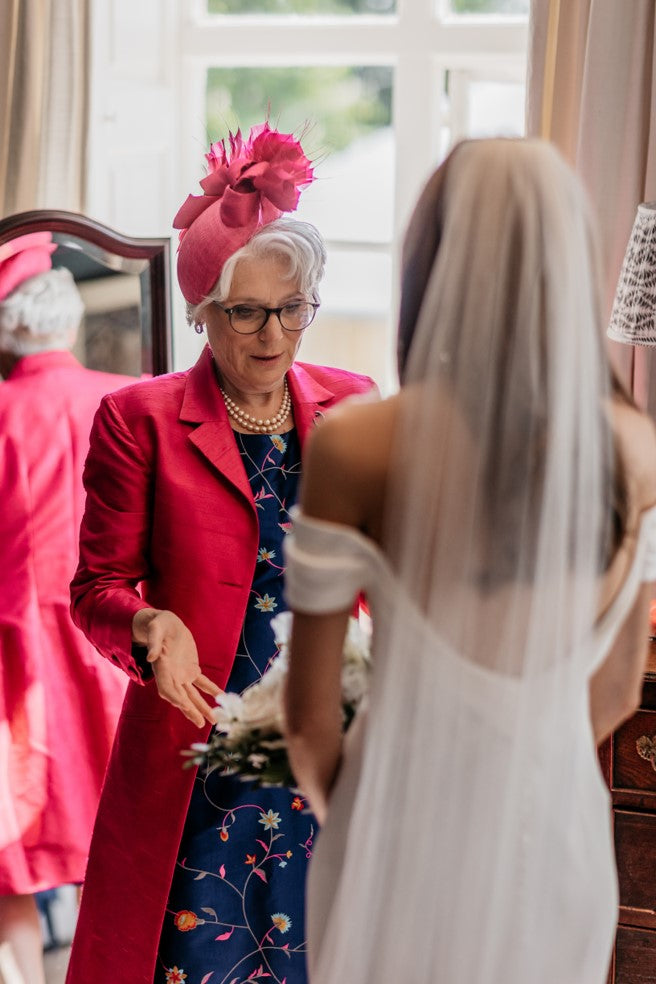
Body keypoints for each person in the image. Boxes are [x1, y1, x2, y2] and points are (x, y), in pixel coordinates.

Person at [283, 138, 656, 984]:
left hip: (397, 834)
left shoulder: (359, 443)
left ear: (433, 264)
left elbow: (308, 725)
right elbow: (616, 691)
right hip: (554, 839)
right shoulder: (640, 447)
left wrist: (376, 827)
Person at [64, 122, 377, 984]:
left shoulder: (355, 408)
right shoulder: (140, 421)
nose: (273, 334)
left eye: (291, 309)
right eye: (246, 312)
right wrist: (151, 623)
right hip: (200, 765)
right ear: (203, 314)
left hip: (325, 751)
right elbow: (95, 587)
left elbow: (394, 570)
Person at [0, 233, 134, 984]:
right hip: (114, 647)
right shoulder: (129, 399)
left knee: (9, 863)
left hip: (18, 656)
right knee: (116, 847)